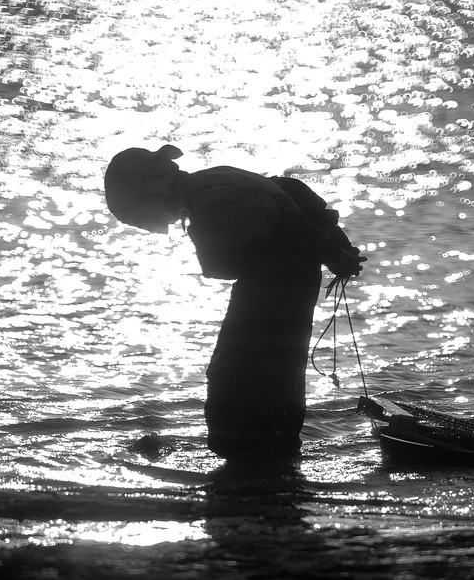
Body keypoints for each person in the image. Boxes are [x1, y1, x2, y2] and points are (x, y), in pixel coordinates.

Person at [104, 144, 365, 460]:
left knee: (237, 382)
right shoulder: (209, 183)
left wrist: (333, 252)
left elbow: (285, 224)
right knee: (274, 379)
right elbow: (287, 188)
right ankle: (278, 464)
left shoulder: (210, 202)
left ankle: (251, 469)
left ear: (149, 198)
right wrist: (335, 243)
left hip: (277, 288)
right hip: (282, 283)